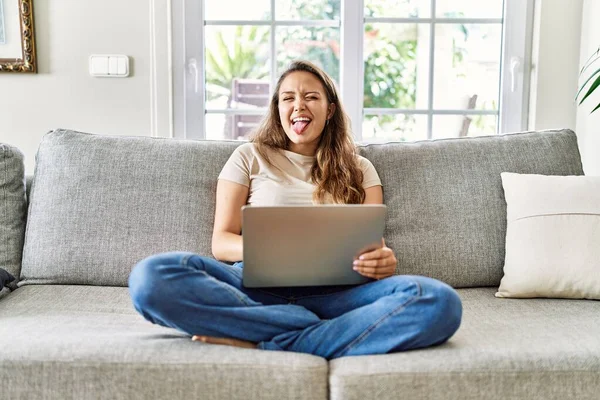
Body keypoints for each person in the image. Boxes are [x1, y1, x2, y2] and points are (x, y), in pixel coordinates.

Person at [128, 60, 462, 360]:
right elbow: (222, 241)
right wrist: (278, 252)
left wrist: (383, 259)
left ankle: (268, 341)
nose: (298, 105)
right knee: (151, 277)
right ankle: (311, 328)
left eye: (311, 97)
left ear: (330, 109)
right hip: (253, 288)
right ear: (277, 108)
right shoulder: (249, 156)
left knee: (437, 301)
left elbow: (374, 244)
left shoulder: (360, 168)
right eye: (288, 98)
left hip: (339, 295)